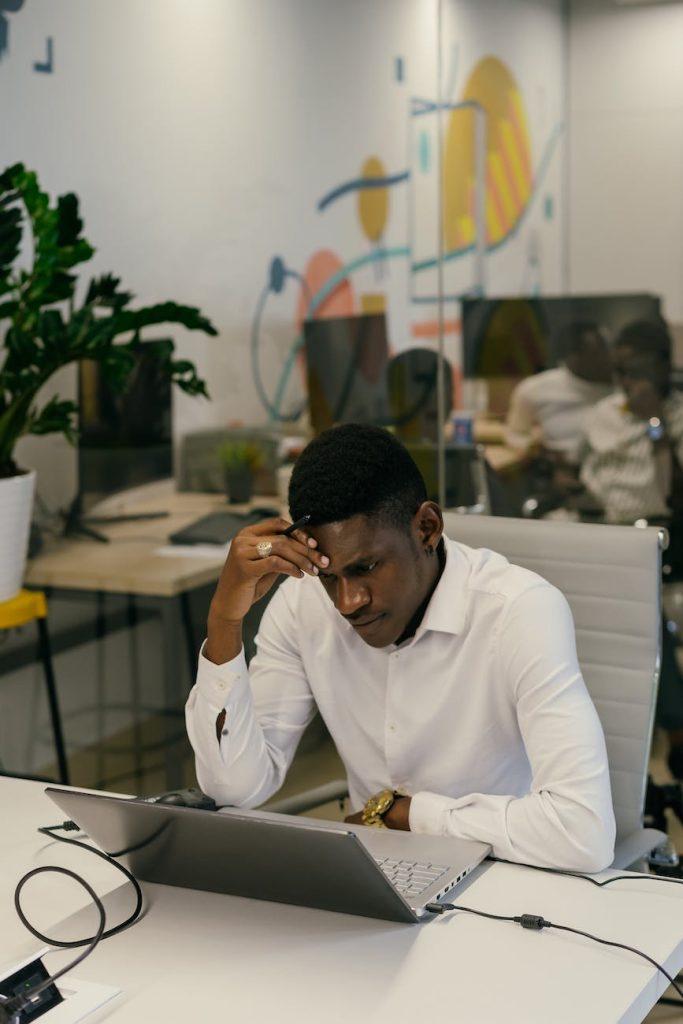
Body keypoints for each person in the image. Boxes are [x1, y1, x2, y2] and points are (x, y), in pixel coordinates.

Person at [186, 424, 615, 871]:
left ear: (426, 528)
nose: (348, 601)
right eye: (329, 576)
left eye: (366, 567)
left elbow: (582, 833)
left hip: (510, 871)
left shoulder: (518, 611)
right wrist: (224, 621)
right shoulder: (301, 603)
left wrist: (404, 814)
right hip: (374, 876)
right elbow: (234, 790)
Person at [580, 319, 683, 779]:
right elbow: (594, 479)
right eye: (619, 371)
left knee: (652, 618)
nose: (626, 382)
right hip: (612, 536)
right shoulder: (603, 415)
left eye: (636, 370)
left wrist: (655, 422)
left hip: (668, 535)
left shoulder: (676, 415)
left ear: (662, 367)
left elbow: (667, 491)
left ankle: (674, 730)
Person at [505, 320, 613, 465]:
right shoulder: (535, 389)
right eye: (597, 353)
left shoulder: (626, 387)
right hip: (563, 473)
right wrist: (537, 452)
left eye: (607, 350)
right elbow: (515, 434)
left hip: (617, 472)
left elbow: (652, 427)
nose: (609, 358)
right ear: (572, 357)